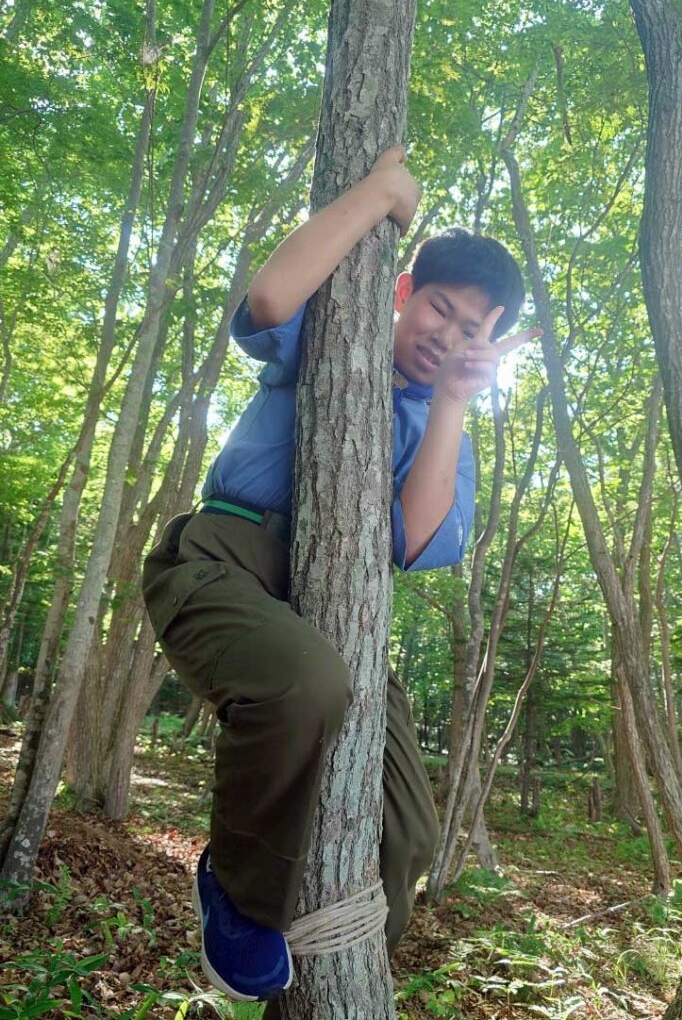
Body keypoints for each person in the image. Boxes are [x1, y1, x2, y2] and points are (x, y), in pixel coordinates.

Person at [141, 147, 537, 1002]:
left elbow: (413, 538)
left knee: (410, 831)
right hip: (225, 557)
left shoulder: (446, 431)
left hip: (337, 612)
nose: (448, 335)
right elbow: (268, 300)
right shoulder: (336, 332)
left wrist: (453, 402)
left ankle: (324, 988)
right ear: (404, 291)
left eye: (474, 329)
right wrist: (381, 193)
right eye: (440, 309)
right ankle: (238, 895)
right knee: (304, 684)